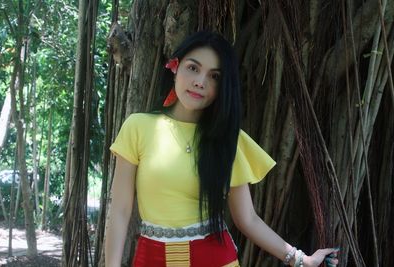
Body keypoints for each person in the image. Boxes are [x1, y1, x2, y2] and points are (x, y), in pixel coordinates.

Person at [105, 31, 339, 267]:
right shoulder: (138, 127)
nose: (200, 82)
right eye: (193, 68)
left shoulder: (227, 140)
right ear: (174, 67)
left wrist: (302, 260)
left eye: (214, 76)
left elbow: (247, 218)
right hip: (151, 259)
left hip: (215, 259)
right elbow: (120, 210)